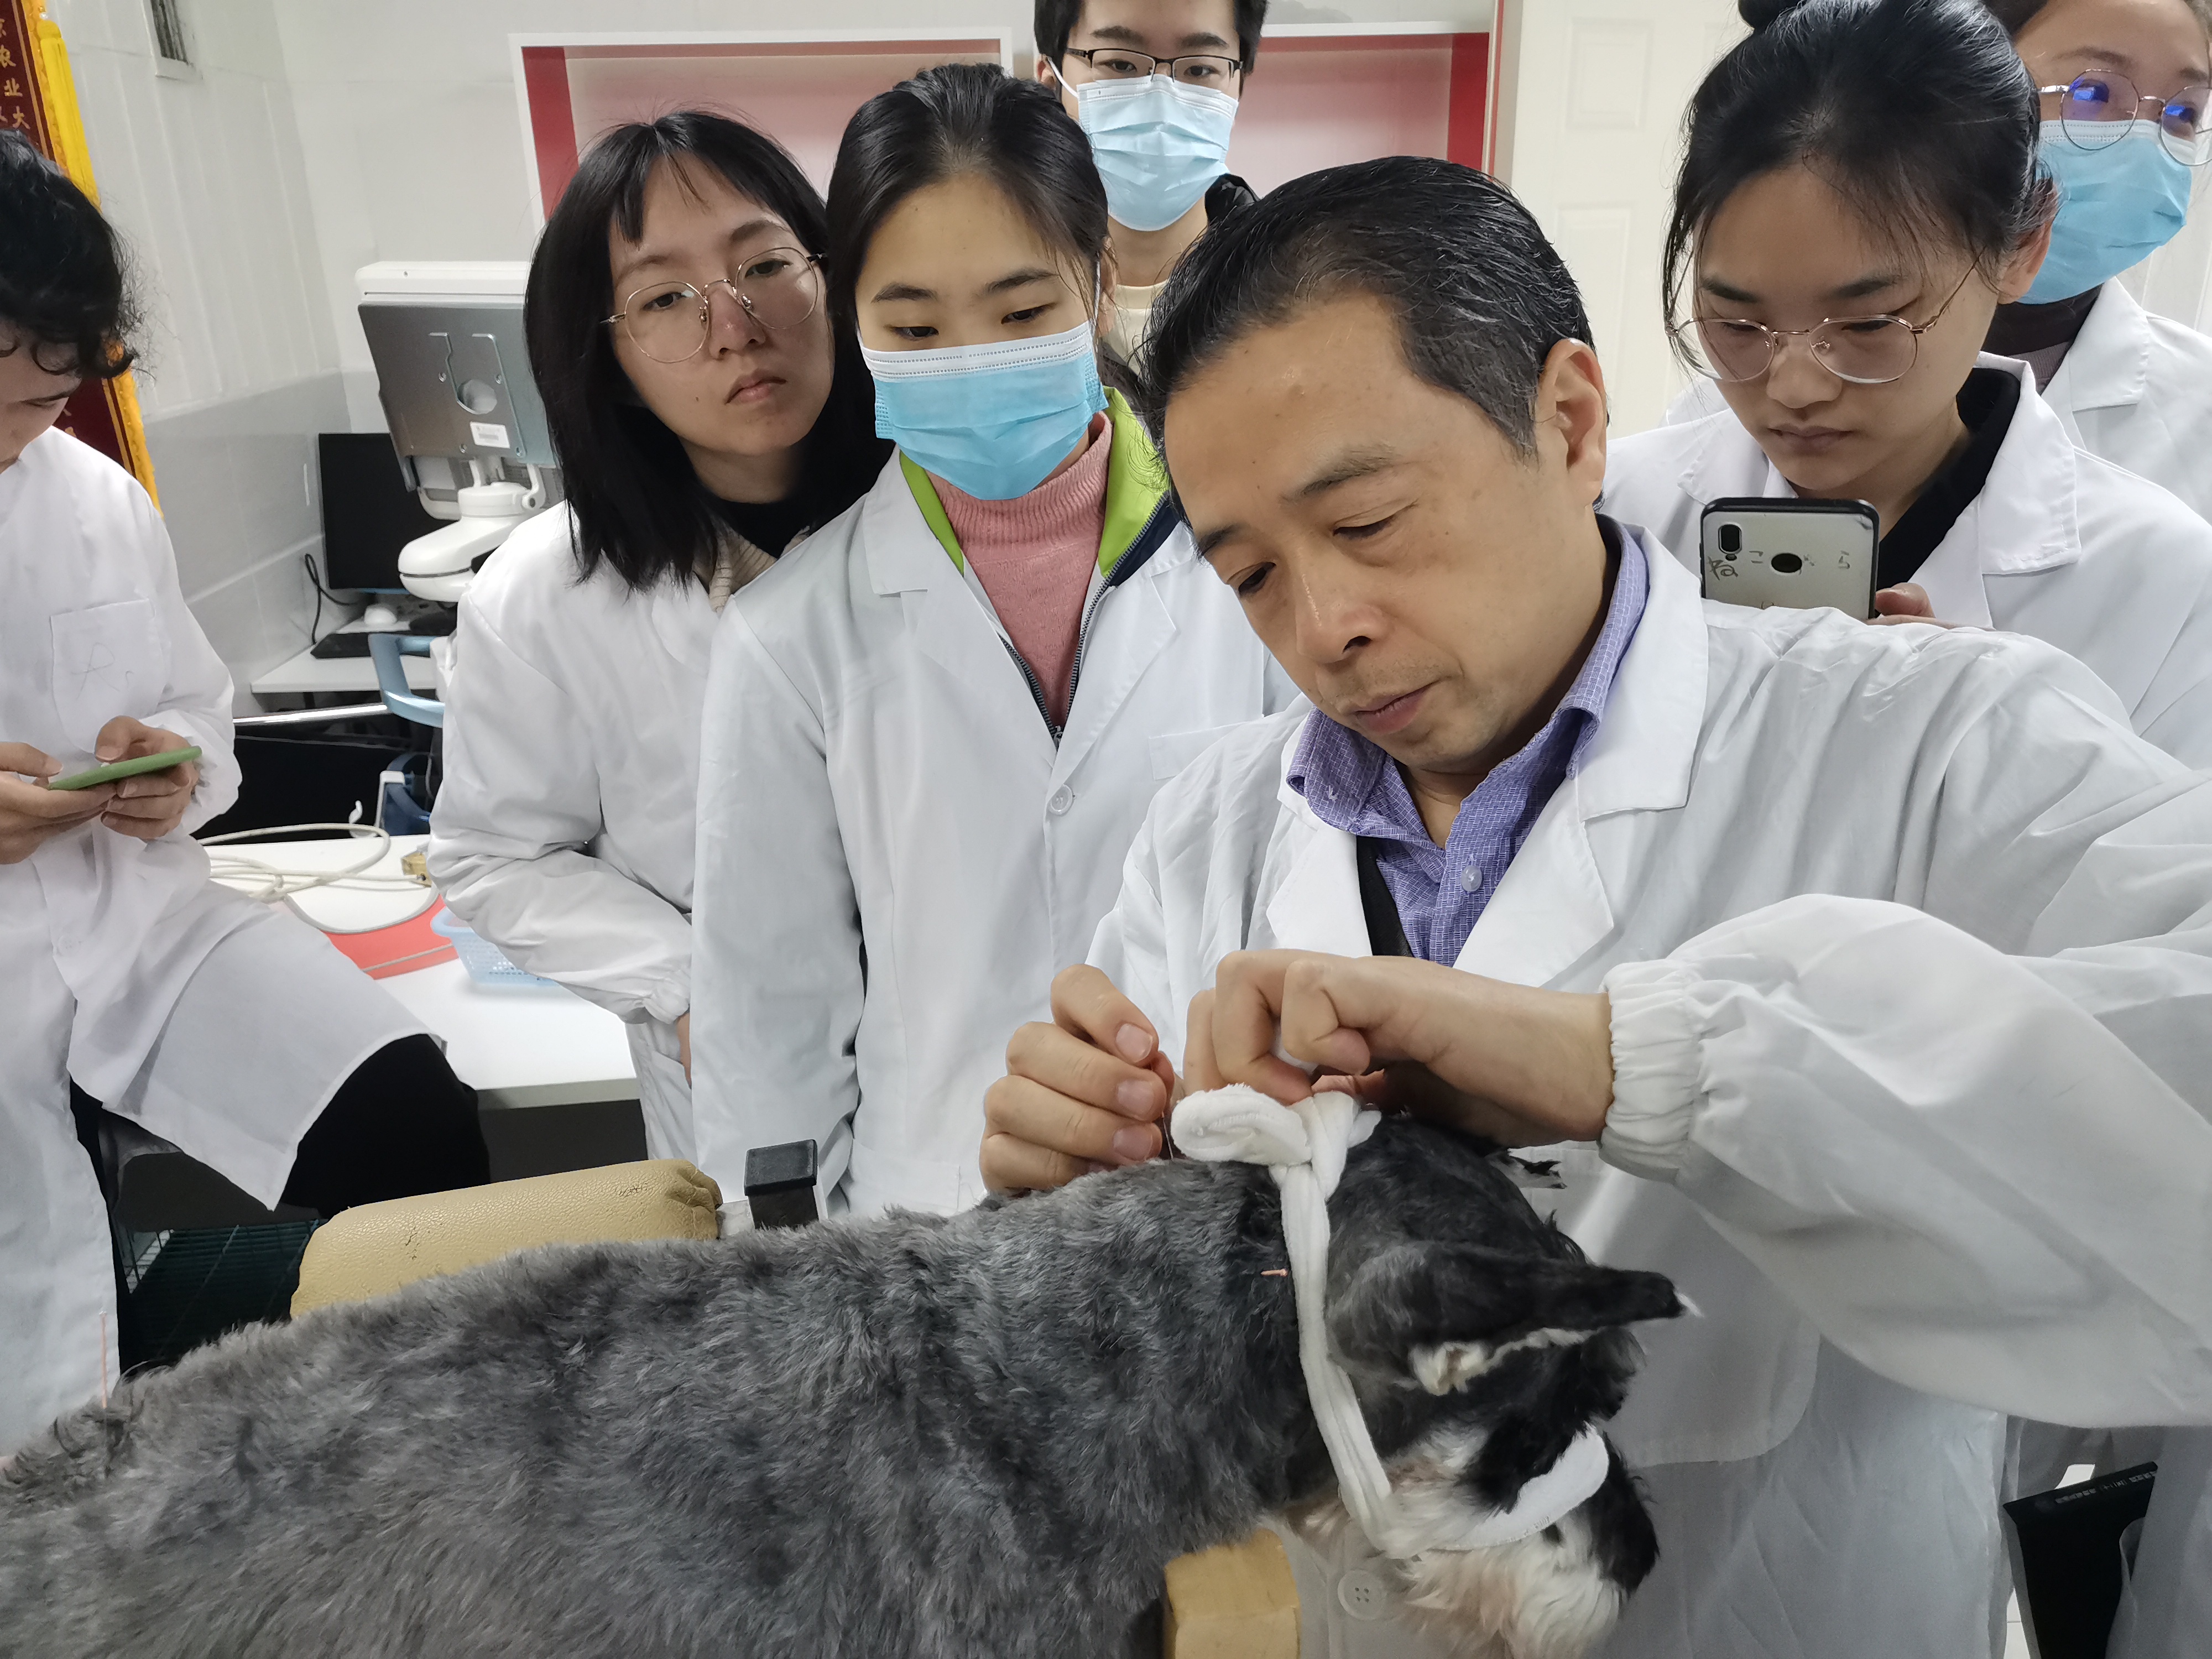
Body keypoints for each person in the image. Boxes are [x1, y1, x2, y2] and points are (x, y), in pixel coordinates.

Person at [977, 150, 2212, 1658]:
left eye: (1366, 523)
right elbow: (1182, 1354)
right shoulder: (1215, 826)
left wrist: (1643, 1068)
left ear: (1566, 419)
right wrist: (1075, 1197)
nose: (1326, 627)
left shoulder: (1931, 744)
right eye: (1249, 574)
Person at [687, 64, 1295, 1217]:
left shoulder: (1252, 566)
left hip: (1212, 1197)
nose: (969, 355)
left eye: (1021, 314)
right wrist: (791, 1292)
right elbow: (767, 1018)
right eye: (912, 325)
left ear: (1099, 281)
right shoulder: (789, 637)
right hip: (929, 1231)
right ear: (851, 321)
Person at [0, 134, 486, 1450]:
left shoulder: (96, 499)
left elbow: (194, 708)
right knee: (40, 1340)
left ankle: (403, 1457)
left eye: (41, 403)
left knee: (409, 1119)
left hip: (140, 926)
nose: (17, 438)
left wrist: (166, 769)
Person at [427, 114, 888, 1164]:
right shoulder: (545, 597)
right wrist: (691, 986)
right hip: (734, 1081)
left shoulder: (939, 525)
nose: (736, 325)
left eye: (766, 264)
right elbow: (495, 855)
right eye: (665, 299)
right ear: (611, 358)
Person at [1604, 0, 2212, 768]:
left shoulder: (2164, 582)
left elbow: (2174, 874)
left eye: (1868, 327)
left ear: (2021, 249)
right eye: (1738, 326)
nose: (1794, 388)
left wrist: (2004, 744)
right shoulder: (1617, 514)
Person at [1985, 0, 2212, 521]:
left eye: (2183, 113)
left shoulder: (2201, 403)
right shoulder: (1787, 350)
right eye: (2093, 92)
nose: (2145, 144)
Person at [1034, 0, 1265, 363]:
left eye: (1200, 69)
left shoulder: (1295, 289)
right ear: (1053, 83)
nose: (1162, 101)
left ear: (1239, 89)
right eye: (1121, 64)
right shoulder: (1004, 295)